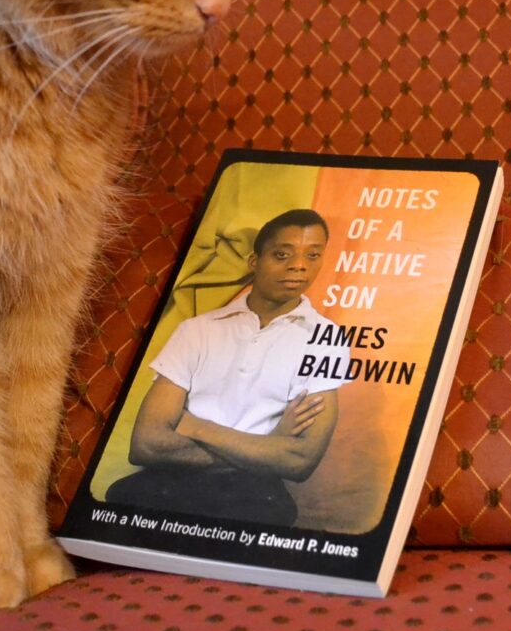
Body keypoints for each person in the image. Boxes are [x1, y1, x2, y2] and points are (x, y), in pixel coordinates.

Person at [105, 209, 342, 525]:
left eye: (313, 255)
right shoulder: (197, 330)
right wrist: (269, 447)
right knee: (120, 499)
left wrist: (195, 426)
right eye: (282, 254)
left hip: (254, 495)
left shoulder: (327, 339)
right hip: (168, 483)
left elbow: (299, 462)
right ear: (254, 262)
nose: (299, 265)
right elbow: (145, 446)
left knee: (271, 516)